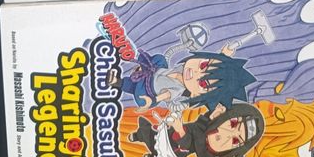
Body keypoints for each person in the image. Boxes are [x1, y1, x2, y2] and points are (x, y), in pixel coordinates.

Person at [129, 102, 265, 157]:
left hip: (179, 152)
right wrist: (181, 130)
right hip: (174, 137)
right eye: (233, 124)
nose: (228, 135)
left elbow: (203, 154)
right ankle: (138, 136)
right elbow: (195, 133)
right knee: (150, 137)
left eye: (235, 140)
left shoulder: (213, 151)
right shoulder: (206, 125)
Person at [109, 49, 256, 112]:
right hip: (153, 71)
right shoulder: (180, 68)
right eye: (203, 65)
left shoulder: (178, 89)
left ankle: (116, 82)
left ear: (197, 95)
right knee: (160, 58)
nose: (194, 73)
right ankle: (131, 59)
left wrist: (152, 101)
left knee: (134, 88)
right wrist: (223, 55)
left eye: (202, 83)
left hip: (149, 88)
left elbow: (166, 95)